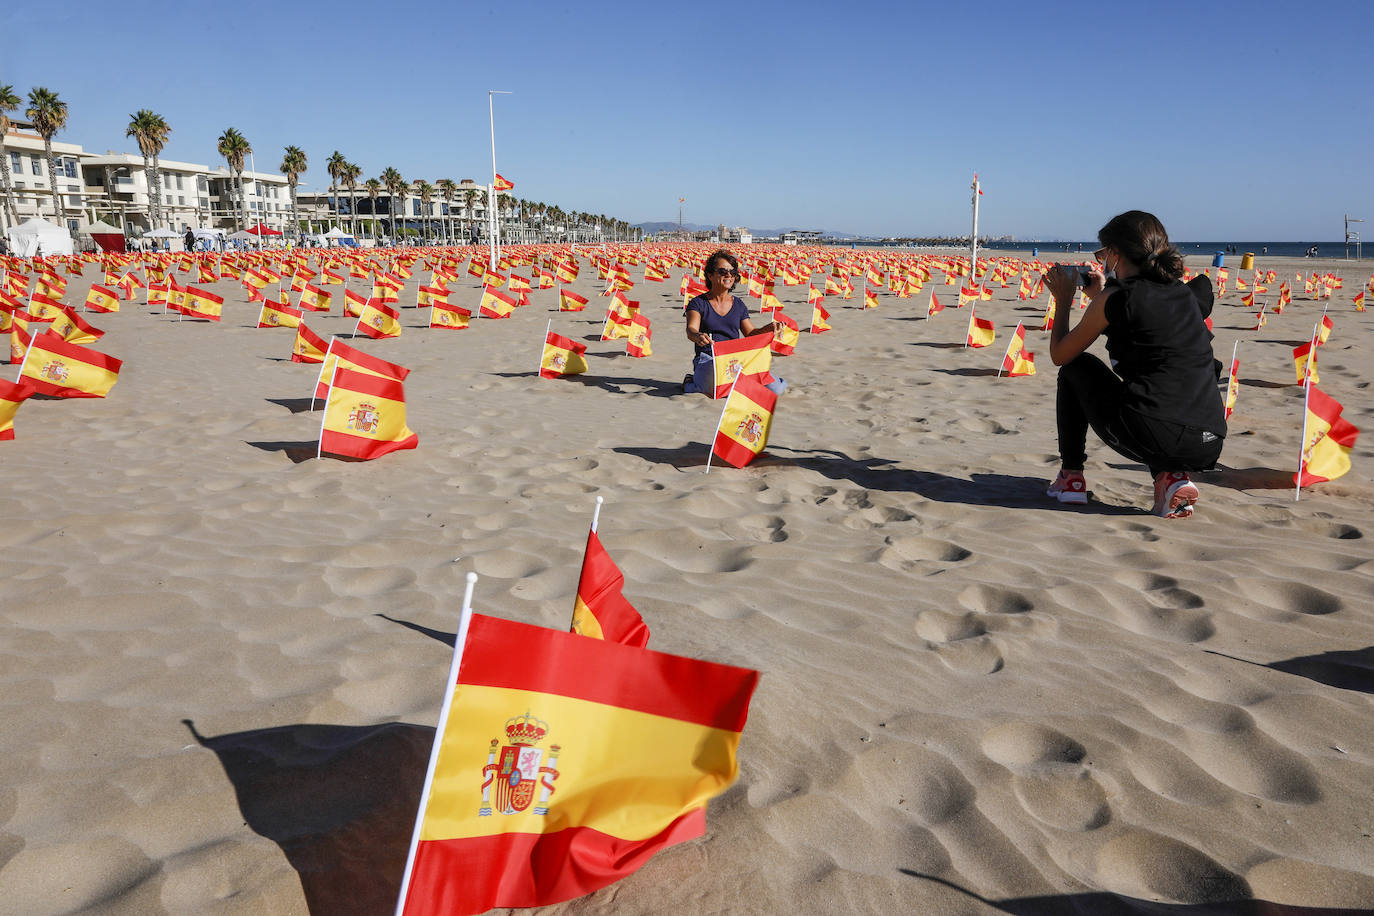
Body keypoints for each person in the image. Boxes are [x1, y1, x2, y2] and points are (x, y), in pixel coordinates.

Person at [1042, 211, 1225, 519]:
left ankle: (1070, 478)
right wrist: (1100, 295)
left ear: (1115, 254)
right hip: (1208, 440)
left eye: (1103, 253)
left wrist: (1063, 300)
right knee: (1156, 394)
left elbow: (1061, 354)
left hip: (1155, 435)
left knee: (1077, 368)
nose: (1101, 261)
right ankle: (1172, 479)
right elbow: (1143, 322)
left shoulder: (1117, 298)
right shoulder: (1184, 293)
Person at [683, 249, 785, 396]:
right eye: (723, 271)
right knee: (715, 389)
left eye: (732, 272)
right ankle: (690, 382)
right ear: (710, 275)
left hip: (735, 359)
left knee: (776, 389)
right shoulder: (698, 303)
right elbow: (690, 330)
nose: (728, 275)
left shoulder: (738, 305)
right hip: (709, 359)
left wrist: (768, 329)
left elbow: (750, 333)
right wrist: (698, 335)